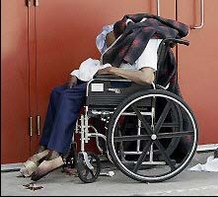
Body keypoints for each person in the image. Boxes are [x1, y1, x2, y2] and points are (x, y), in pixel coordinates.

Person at [19, 17, 164, 181]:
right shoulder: (123, 48)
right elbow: (101, 65)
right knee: (57, 92)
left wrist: (113, 71)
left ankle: (56, 153)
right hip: (109, 82)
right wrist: (77, 74)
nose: (108, 44)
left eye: (110, 38)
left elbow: (146, 78)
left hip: (122, 88)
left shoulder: (145, 47)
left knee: (68, 97)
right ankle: (43, 147)